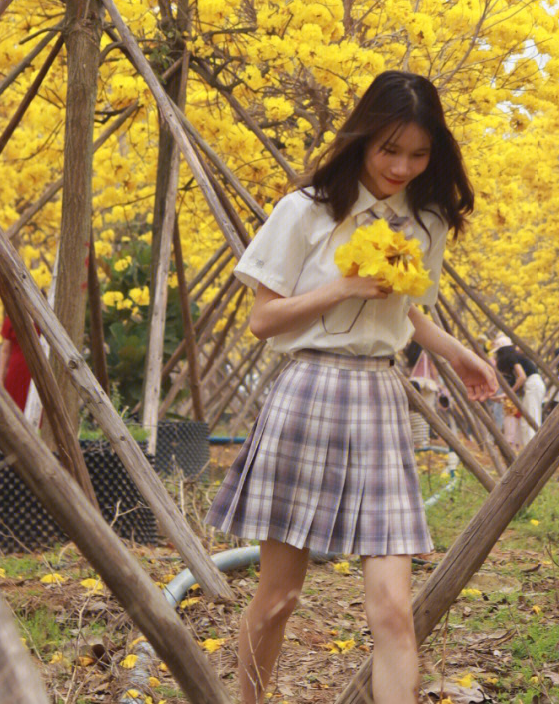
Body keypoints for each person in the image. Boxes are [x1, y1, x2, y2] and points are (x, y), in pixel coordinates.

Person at [205, 71, 498, 704]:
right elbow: (263, 319)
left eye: (418, 154)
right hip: (308, 393)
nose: (402, 166)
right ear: (362, 139)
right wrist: (345, 284)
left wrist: (456, 352)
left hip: (381, 400)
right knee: (280, 595)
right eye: (389, 149)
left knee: (393, 607)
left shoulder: (426, 222)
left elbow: (406, 311)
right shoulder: (306, 210)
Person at [0, 313, 32, 410]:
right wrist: (0, 378)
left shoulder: (43, 318)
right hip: (15, 372)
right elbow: (5, 351)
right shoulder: (12, 318)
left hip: (35, 373)